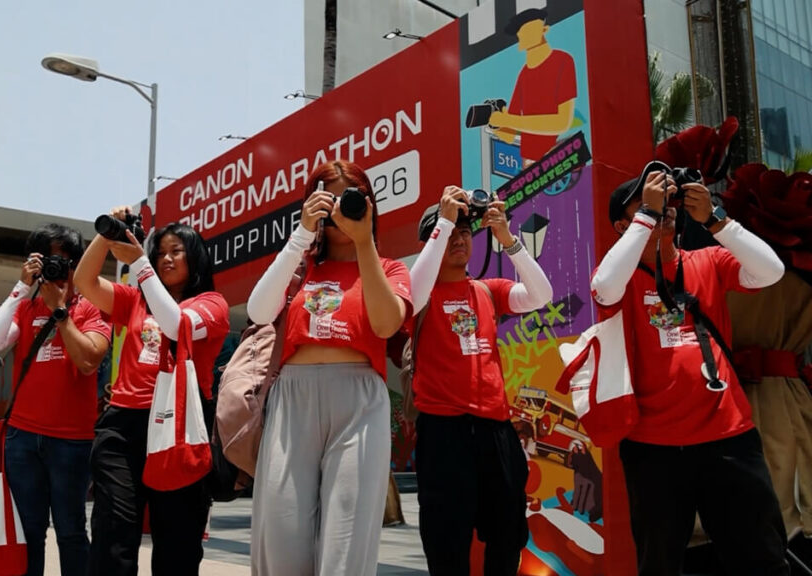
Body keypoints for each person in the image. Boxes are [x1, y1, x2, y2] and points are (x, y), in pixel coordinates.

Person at [591, 169, 789, 574]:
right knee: (659, 563)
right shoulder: (622, 276)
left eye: (666, 201)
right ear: (623, 224)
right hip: (653, 448)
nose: (664, 208)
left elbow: (771, 271)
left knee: (762, 560)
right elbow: (603, 287)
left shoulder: (708, 260)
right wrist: (648, 212)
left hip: (729, 438)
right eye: (645, 202)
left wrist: (717, 221)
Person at [247, 160, 412, 576]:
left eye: (350, 197)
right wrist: (302, 233)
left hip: (359, 402)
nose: (339, 207)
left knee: (347, 542)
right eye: (329, 197)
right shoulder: (301, 267)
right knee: (280, 537)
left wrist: (363, 244)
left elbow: (386, 323)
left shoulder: (389, 267)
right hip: (293, 396)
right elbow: (258, 309)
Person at [409, 186, 553, 575]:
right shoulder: (417, 292)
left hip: (496, 432)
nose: (459, 240)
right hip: (443, 433)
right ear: (433, 239)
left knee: (508, 536)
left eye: (465, 233)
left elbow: (542, 294)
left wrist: (507, 238)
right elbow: (412, 292)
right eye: (450, 233)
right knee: (446, 543)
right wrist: (442, 222)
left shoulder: (488, 290)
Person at [74, 214, 229, 576]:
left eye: (177, 251)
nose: (166, 259)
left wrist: (140, 262)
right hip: (123, 425)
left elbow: (175, 324)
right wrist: (108, 233)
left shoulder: (212, 304)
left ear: (197, 257)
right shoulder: (134, 300)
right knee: (113, 533)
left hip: (181, 428)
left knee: (177, 542)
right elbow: (83, 281)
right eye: (160, 253)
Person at [0, 224, 111, 576]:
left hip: (71, 440)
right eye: (50, 260)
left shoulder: (92, 308)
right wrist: (21, 287)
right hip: (22, 437)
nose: (58, 269)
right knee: (29, 532)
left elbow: (88, 362)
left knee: (70, 532)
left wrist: (61, 311)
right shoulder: (26, 306)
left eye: (65, 262)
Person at [488, 8, 577, 164]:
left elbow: (562, 122)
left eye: (528, 29)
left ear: (544, 30)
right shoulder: (524, 74)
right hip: (529, 164)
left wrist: (506, 120)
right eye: (520, 31)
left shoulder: (563, 60)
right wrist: (495, 123)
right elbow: (509, 134)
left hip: (558, 157)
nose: (522, 34)